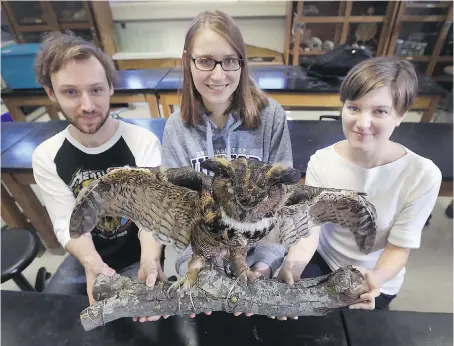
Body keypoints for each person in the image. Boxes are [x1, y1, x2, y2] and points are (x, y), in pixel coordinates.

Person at [278, 57, 442, 314]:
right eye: (354, 108)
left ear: (400, 115)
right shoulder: (322, 161)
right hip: (325, 261)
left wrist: (372, 280)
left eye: (380, 111)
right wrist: (292, 265)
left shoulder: (422, 175)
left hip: (377, 275)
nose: (362, 123)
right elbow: (310, 229)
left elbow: (399, 248)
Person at [158, 10, 293, 317]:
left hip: (258, 263)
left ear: (242, 63)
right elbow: (177, 216)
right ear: (187, 61)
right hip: (202, 262)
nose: (218, 75)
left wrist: (265, 264)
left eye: (230, 60)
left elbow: (280, 206)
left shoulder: (271, 117)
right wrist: (194, 270)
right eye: (206, 60)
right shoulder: (176, 130)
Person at [32, 31, 165, 322]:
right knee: (55, 319)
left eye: (96, 90)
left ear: (110, 88)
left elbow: (152, 217)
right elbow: (65, 222)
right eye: (70, 92)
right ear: (50, 92)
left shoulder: (142, 143)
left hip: (138, 254)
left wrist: (151, 261)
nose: (87, 105)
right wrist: (93, 263)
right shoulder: (46, 156)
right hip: (84, 259)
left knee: (148, 324)